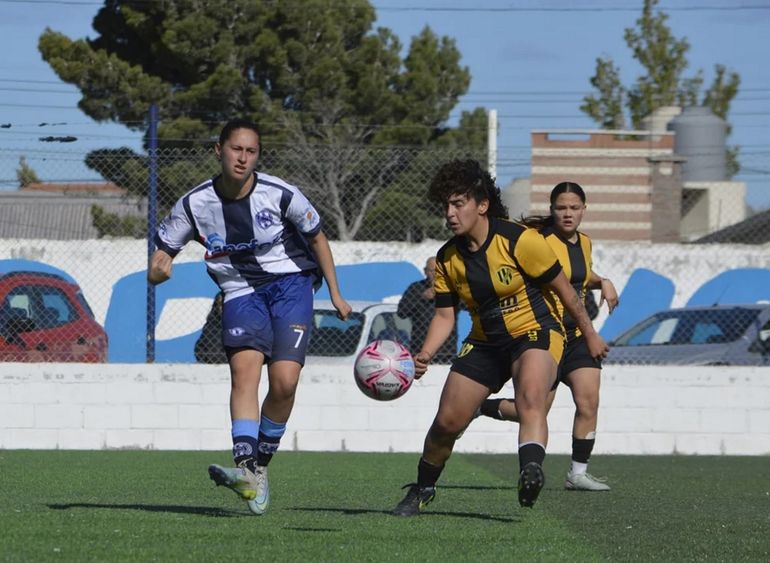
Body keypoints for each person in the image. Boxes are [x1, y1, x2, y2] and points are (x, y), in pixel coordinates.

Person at [148, 118, 351, 515]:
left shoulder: (280, 194)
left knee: (285, 383)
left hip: (291, 284)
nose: (242, 158)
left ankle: (261, 467)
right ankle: (245, 467)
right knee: (244, 374)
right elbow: (160, 258)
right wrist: (159, 270)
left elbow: (317, 238)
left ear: (258, 155)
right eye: (235, 149)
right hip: (239, 292)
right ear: (218, 150)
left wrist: (336, 292)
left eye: (250, 151)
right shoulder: (194, 204)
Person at [392, 160, 608, 516]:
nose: (450, 213)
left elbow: (568, 292)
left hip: (536, 331)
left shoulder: (520, 240)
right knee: (447, 422)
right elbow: (445, 316)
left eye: (458, 203)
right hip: (485, 341)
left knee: (531, 397)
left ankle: (530, 471)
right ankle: (423, 488)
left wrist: (590, 334)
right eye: (446, 205)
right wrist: (425, 354)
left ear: (482, 205)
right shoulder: (447, 258)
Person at [476, 181, 619, 491]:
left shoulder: (585, 242)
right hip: (547, 335)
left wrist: (602, 281)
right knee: (534, 410)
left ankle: (577, 473)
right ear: (552, 210)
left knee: (588, 401)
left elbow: (577, 275)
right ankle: (481, 407)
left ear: (584, 209)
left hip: (578, 335)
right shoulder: (537, 240)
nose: (568, 214)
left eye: (574, 208)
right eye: (561, 208)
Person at [397, 257, 457, 363]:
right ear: (425, 271)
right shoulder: (416, 288)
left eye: (438, 270)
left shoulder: (452, 288)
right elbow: (402, 312)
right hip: (419, 347)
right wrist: (421, 298)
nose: (435, 274)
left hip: (446, 350)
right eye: (432, 271)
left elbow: (468, 305)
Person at [194, 291, 227, 364]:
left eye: (224, 305)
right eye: (219, 305)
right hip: (209, 364)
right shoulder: (211, 326)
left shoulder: (237, 327)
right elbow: (199, 348)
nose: (221, 308)